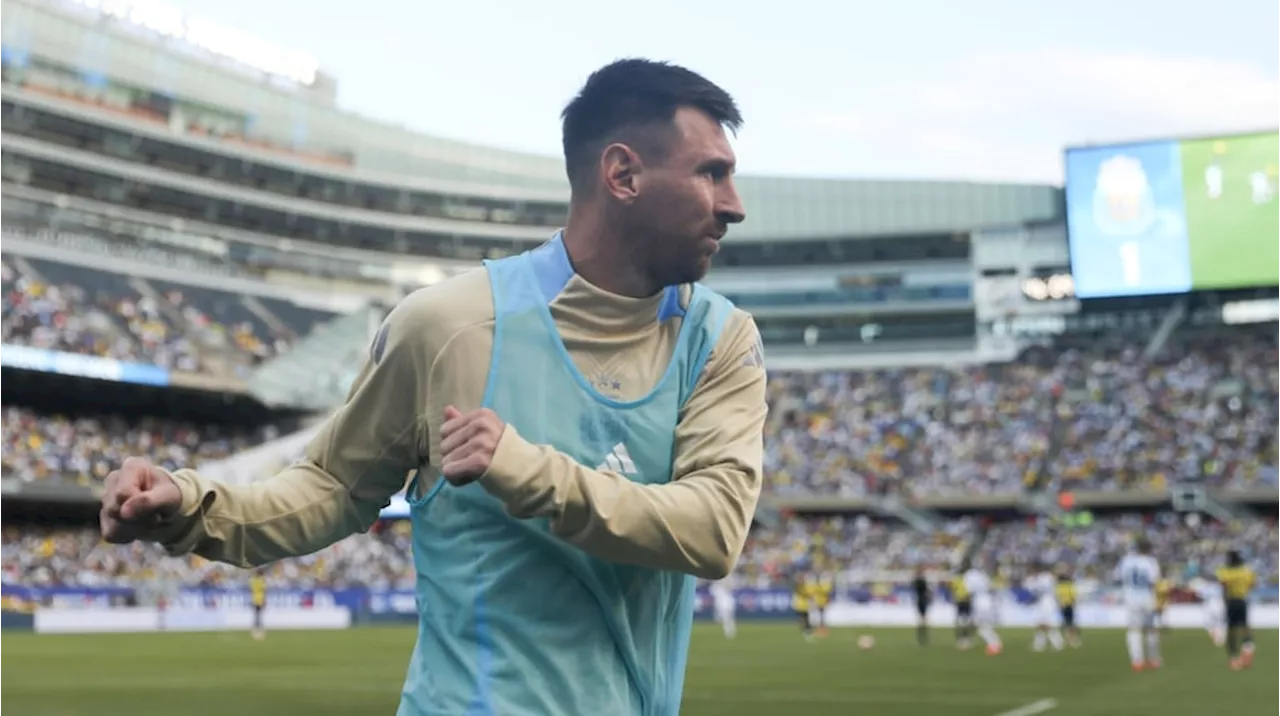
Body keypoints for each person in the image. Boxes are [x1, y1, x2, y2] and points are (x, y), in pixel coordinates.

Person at [97, 58, 766, 716]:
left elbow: (712, 531)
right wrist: (188, 502)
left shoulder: (719, 340)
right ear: (622, 174)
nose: (733, 206)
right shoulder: (448, 326)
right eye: (712, 174)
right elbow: (331, 489)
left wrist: (525, 469)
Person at [1114, 537, 1162, 671]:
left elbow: (1117, 578)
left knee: (1134, 630)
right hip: (1147, 597)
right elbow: (1154, 581)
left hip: (1130, 598)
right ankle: (1153, 658)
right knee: (1151, 629)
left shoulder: (1125, 561)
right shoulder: (1150, 562)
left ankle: (1137, 661)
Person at [1216, 550, 1256, 670]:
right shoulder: (1246, 571)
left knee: (1231, 629)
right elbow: (1252, 584)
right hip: (1242, 600)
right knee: (1245, 626)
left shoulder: (1225, 571)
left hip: (1231, 601)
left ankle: (1233, 657)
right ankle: (1248, 649)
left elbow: (1223, 585)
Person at [963, 560, 1002, 656]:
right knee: (984, 626)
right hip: (989, 601)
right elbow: (990, 587)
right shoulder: (983, 574)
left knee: (981, 628)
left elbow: (969, 590)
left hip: (979, 603)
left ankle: (994, 645)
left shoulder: (968, 575)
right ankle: (994, 644)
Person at [1028, 564, 1064, 652]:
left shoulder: (1044, 577)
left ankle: (1057, 642)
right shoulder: (1046, 578)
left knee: (1045, 624)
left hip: (1047, 603)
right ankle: (1040, 644)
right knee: (1039, 624)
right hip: (1044, 603)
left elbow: (1039, 589)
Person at [951, 562, 974, 650]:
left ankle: (962, 639)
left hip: (961, 601)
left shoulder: (958, 580)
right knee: (964, 621)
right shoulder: (964, 580)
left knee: (962, 621)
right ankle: (964, 639)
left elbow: (953, 590)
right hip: (964, 601)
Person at [1056, 570, 1081, 648]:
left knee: (1067, 623)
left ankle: (1070, 638)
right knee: (1070, 623)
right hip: (1068, 605)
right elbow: (1074, 596)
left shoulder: (1060, 586)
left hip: (1065, 606)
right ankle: (1072, 639)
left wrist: (1061, 604)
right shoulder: (1069, 585)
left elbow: (1059, 597)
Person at [710, 573, 737, 640]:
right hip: (723, 604)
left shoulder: (724, 587)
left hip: (726, 603)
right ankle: (729, 631)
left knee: (728, 618)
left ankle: (729, 631)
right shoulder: (717, 587)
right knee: (725, 618)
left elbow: (730, 587)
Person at [912, 567, 931, 646]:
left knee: (921, 620)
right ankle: (923, 637)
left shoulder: (916, 581)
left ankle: (921, 638)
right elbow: (926, 591)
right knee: (923, 620)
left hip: (920, 601)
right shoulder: (922, 581)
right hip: (922, 601)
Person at [249, 569, 267, 641]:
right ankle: (258, 628)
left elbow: (251, 588)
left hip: (254, 598)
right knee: (258, 614)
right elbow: (264, 590)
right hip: (260, 598)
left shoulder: (253, 580)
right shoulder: (262, 580)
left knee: (256, 614)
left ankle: (255, 628)